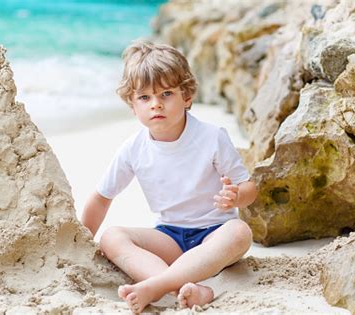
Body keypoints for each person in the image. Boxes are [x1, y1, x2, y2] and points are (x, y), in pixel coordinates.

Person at [81, 40, 257, 313]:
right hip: (170, 238)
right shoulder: (133, 148)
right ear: (132, 105)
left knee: (240, 232)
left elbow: (249, 188)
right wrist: (80, 242)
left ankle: (157, 284)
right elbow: (102, 198)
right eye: (144, 98)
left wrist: (236, 196)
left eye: (166, 94)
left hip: (214, 236)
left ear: (186, 96)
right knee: (111, 237)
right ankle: (184, 289)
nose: (156, 105)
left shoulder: (212, 137)